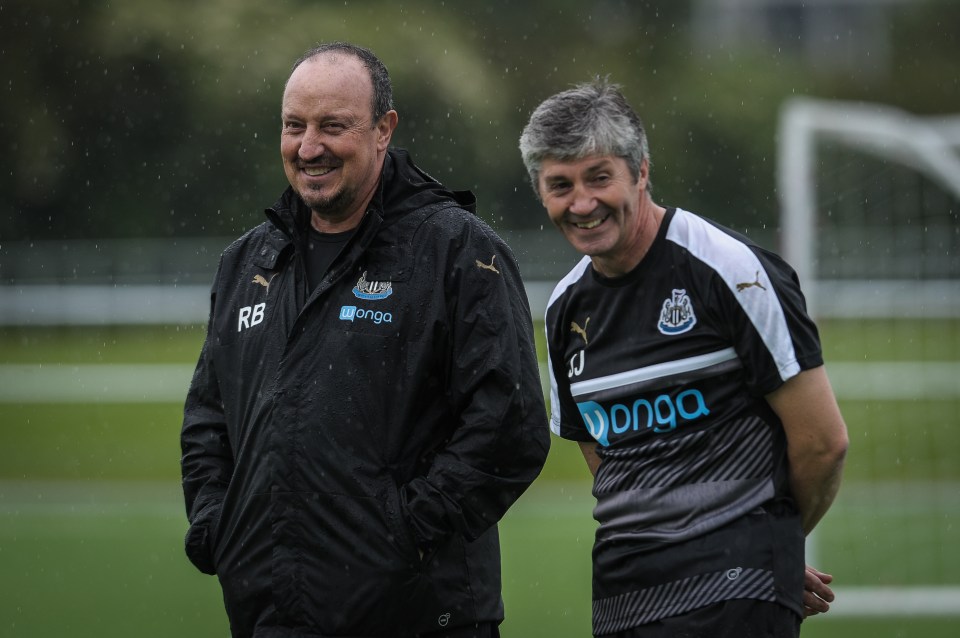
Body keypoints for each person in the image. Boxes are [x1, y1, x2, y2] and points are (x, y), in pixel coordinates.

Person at [181, 42, 549, 638]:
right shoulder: (249, 261)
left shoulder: (455, 250)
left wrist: (401, 535)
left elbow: (509, 424)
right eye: (294, 126)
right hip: (269, 613)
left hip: (416, 616)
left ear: (384, 129)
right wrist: (217, 526)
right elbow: (207, 417)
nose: (308, 147)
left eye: (333, 126)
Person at [518, 78, 849, 638]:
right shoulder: (563, 309)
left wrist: (773, 548)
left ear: (641, 171)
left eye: (599, 177)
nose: (582, 203)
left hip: (737, 595)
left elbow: (823, 442)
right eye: (560, 185)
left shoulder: (731, 270)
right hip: (624, 600)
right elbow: (606, 457)